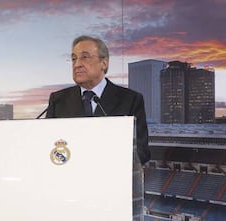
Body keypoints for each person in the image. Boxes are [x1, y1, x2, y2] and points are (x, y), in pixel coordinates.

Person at [46, 35, 151, 164]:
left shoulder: (131, 100)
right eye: (74, 59)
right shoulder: (58, 100)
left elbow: (141, 152)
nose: (77, 64)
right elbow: (47, 145)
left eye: (85, 57)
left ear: (104, 63)